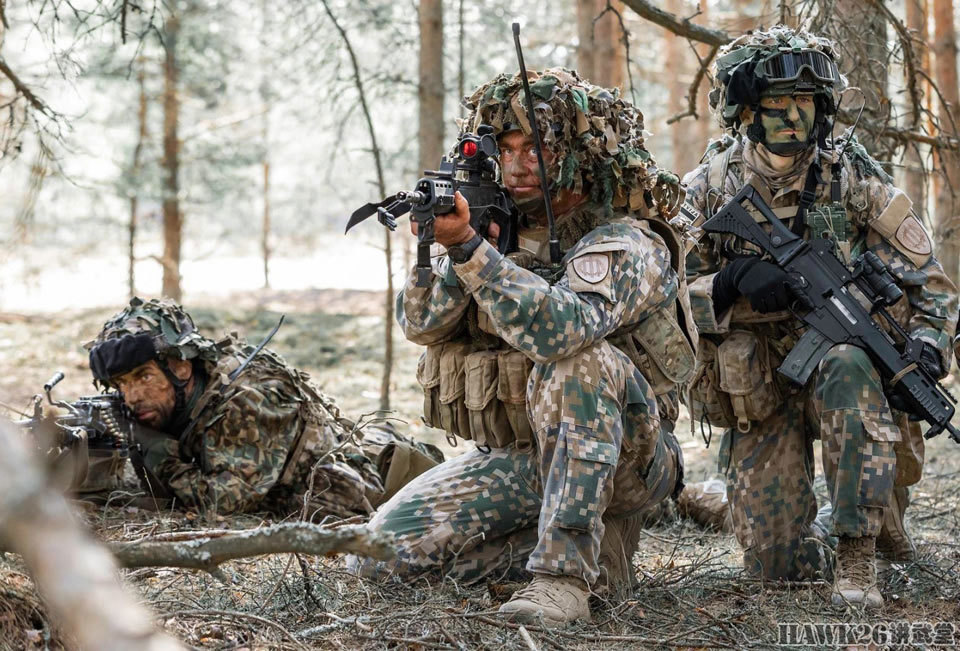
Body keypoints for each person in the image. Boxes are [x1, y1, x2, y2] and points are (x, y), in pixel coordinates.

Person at [348, 68, 698, 626]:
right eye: (505, 149)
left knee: (576, 362)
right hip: (522, 457)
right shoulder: (495, 228)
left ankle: (563, 579)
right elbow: (422, 326)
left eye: (535, 148)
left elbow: (564, 329)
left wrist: (471, 250)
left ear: (584, 154)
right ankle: (594, 560)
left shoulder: (624, 239)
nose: (516, 164)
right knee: (376, 559)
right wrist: (463, 249)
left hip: (630, 456)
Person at [680, 26, 958, 609]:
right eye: (775, 107)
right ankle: (732, 503)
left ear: (823, 107)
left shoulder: (852, 178)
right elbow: (659, 299)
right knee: (774, 569)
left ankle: (859, 553)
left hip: (844, 383)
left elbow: (931, 284)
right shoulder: (708, 188)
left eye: (803, 105)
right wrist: (727, 285)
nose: (791, 120)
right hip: (760, 387)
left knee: (852, 359)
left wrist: (930, 347)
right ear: (745, 112)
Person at [84, 297, 441, 518]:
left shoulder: (248, 398)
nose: (131, 397)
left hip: (387, 490)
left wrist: (160, 456)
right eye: (121, 384)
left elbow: (221, 503)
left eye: (143, 377)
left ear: (180, 365)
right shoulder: (186, 392)